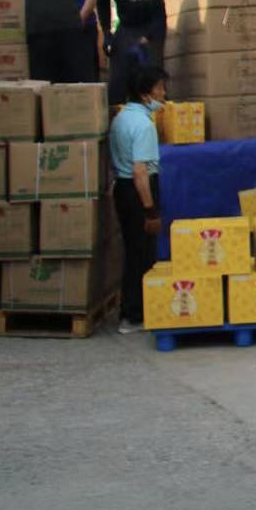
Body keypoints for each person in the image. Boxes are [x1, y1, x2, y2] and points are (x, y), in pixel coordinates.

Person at [110, 64, 168, 335]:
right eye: (160, 88)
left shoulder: (121, 118)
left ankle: (131, 310)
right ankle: (134, 315)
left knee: (133, 251)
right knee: (142, 255)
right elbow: (140, 171)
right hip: (137, 191)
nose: (164, 93)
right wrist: (150, 210)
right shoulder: (144, 125)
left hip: (122, 189)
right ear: (145, 94)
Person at [94, 0, 167, 106]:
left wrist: (150, 37)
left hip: (149, 23)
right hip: (127, 25)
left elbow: (159, 13)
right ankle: (117, 110)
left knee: (151, 74)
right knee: (118, 73)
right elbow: (102, 5)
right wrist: (107, 33)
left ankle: (156, 109)